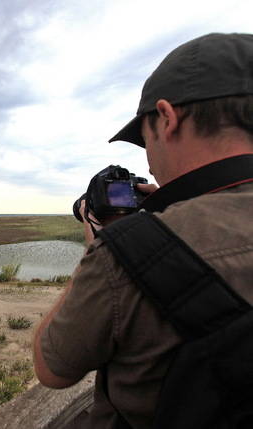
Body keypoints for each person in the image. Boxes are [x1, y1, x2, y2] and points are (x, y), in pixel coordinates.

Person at [33, 32, 253, 428]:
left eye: (145, 138)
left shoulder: (128, 253)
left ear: (167, 118)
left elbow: (53, 368)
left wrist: (105, 242)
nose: (149, 162)